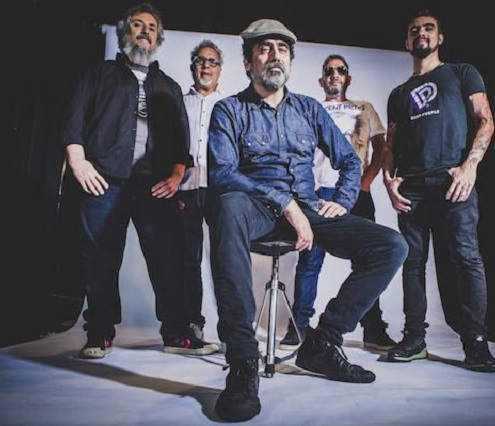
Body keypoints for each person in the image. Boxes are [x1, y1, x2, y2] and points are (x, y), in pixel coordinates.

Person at [207, 18, 408, 422]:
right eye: (265, 48)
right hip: (255, 209)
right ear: (248, 62)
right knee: (226, 205)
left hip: (310, 209)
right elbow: (223, 172)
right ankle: (243, 361)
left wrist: (343, 202)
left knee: (391, 245)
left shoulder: (308, 109)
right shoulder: (229, 110)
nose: (275, 55)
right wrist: (285, 203)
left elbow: (349, 160)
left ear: (290, 61)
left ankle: (322, 342)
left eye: (282, 49)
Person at [60, 2, 194, 359]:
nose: (145, 30)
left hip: (153, 185)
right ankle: (99, 333)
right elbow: (74, 120)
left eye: (151, 26)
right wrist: (78, 161)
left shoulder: (169, 86)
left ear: (158, 38)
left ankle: (177, 332)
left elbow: (181, 141)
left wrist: (176, 176)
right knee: (100, 260)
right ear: (125, 33)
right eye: (137, 24)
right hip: (105, 181)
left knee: (168, 259)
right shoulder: (98, 74)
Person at [381, 8, 495, 372]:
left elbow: (486, 120)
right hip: (412, 187)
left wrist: (470, 166)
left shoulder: (462, 73)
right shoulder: (399, 93)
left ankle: (476, 342)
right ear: (407, 41)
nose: (421, 33)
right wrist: (388, 180)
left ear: (439, 37)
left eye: (428, 28)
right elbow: (390, 144)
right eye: (414, 29)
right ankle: (414, 339)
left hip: (453, 181)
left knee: (466, 258)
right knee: (412, 262)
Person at [279, 54, 396, 352]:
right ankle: (299, 326)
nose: (334, 74)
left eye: (340, 70)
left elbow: (382, 148)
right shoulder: (310, 109)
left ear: (348, 78)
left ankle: (372, 328)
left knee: (370, 259)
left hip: (353, 193)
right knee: (310, 261)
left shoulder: (364, 108)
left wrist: (366, 181)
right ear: (321, 80)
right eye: (329, 71)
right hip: (318, 195)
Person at [170, 39, 228, 355]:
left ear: (220, 69)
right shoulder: (179, 102)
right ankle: (193, 325)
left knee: (224, 261)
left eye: (212, 61)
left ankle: (230, 328)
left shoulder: (230, 105)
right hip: (186, 191)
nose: (206, 66)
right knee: (188, 261)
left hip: (220, 192)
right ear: (193, 66)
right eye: (200, 60)